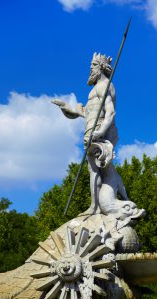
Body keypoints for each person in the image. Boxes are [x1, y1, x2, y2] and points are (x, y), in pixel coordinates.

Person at [52, 52, 128, 214]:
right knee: (95, 170)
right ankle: (98, 205)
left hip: (100, 133)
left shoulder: (104, 86)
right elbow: (88, 113)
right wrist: (69, 110)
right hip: (91, 132)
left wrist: (100, 131)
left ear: (101, 68)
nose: (90, 69)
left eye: (93, 66)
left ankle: (98, 206)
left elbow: (110, 113)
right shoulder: (95, 90)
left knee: (98, 169)